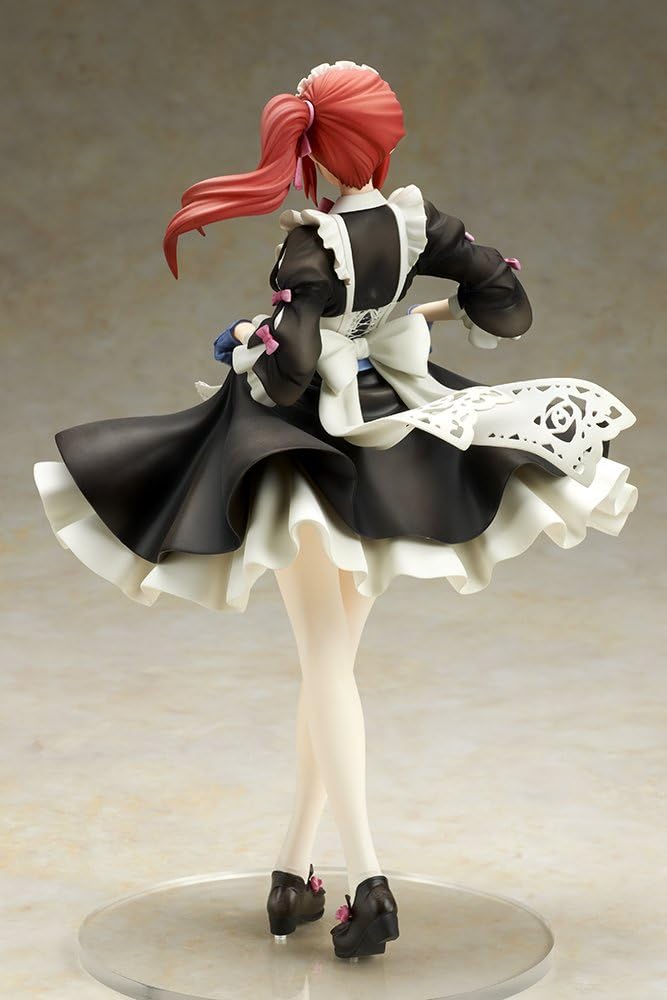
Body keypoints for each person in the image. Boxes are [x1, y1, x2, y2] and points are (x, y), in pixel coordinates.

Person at [33, 60, 638, 961]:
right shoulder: (418, 223)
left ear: (314, 149)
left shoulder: (312, 248)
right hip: (398, 442)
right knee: (333, 669)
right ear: (383, 145)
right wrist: (414, 317)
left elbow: (287, 375)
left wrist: (252, 339)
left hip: (311, 458)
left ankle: (370, 883)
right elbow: (504, 307)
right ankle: (291, 873)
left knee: (324, 667)